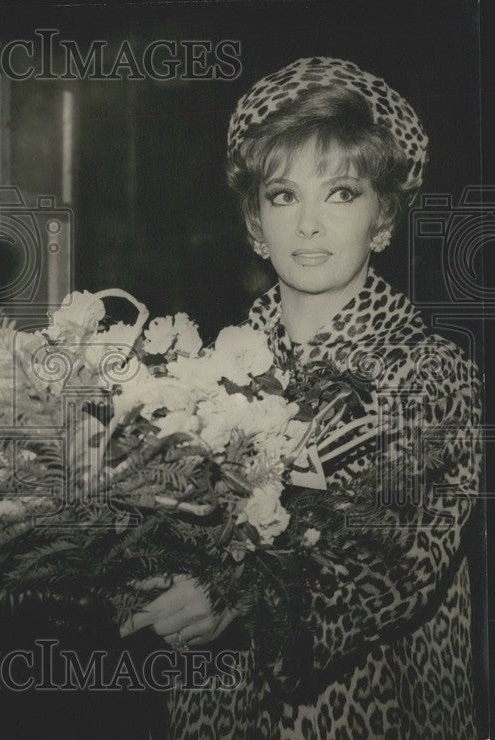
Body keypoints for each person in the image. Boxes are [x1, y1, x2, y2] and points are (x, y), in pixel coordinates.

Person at [121, 57, 481, 737]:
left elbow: (390, 560)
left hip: (365, 715)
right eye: (284, 195)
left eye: (341, 193)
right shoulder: (201, 375)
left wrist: (234, 598)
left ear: (382, 218)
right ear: (256, 222)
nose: (308, 224)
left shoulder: (431, 377)